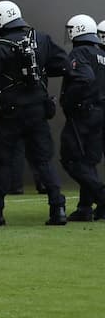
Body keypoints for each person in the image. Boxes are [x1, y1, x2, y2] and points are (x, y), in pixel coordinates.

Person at [0, 0, 68, 226]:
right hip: (38, 110)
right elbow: (64, 64)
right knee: (43, 160)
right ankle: (58, 208)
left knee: (2, 162)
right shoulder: (41, 39)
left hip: (10, 113)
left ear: (2, 20)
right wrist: (39, 73)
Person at [58, 15, 105, 222]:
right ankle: (85, 207)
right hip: (99, 113)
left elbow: (85, 78)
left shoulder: (80, 52)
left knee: (71, 159)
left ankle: (101, 196)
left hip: (83, 113)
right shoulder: (100, 54)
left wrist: (68, 102)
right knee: (89, 161)